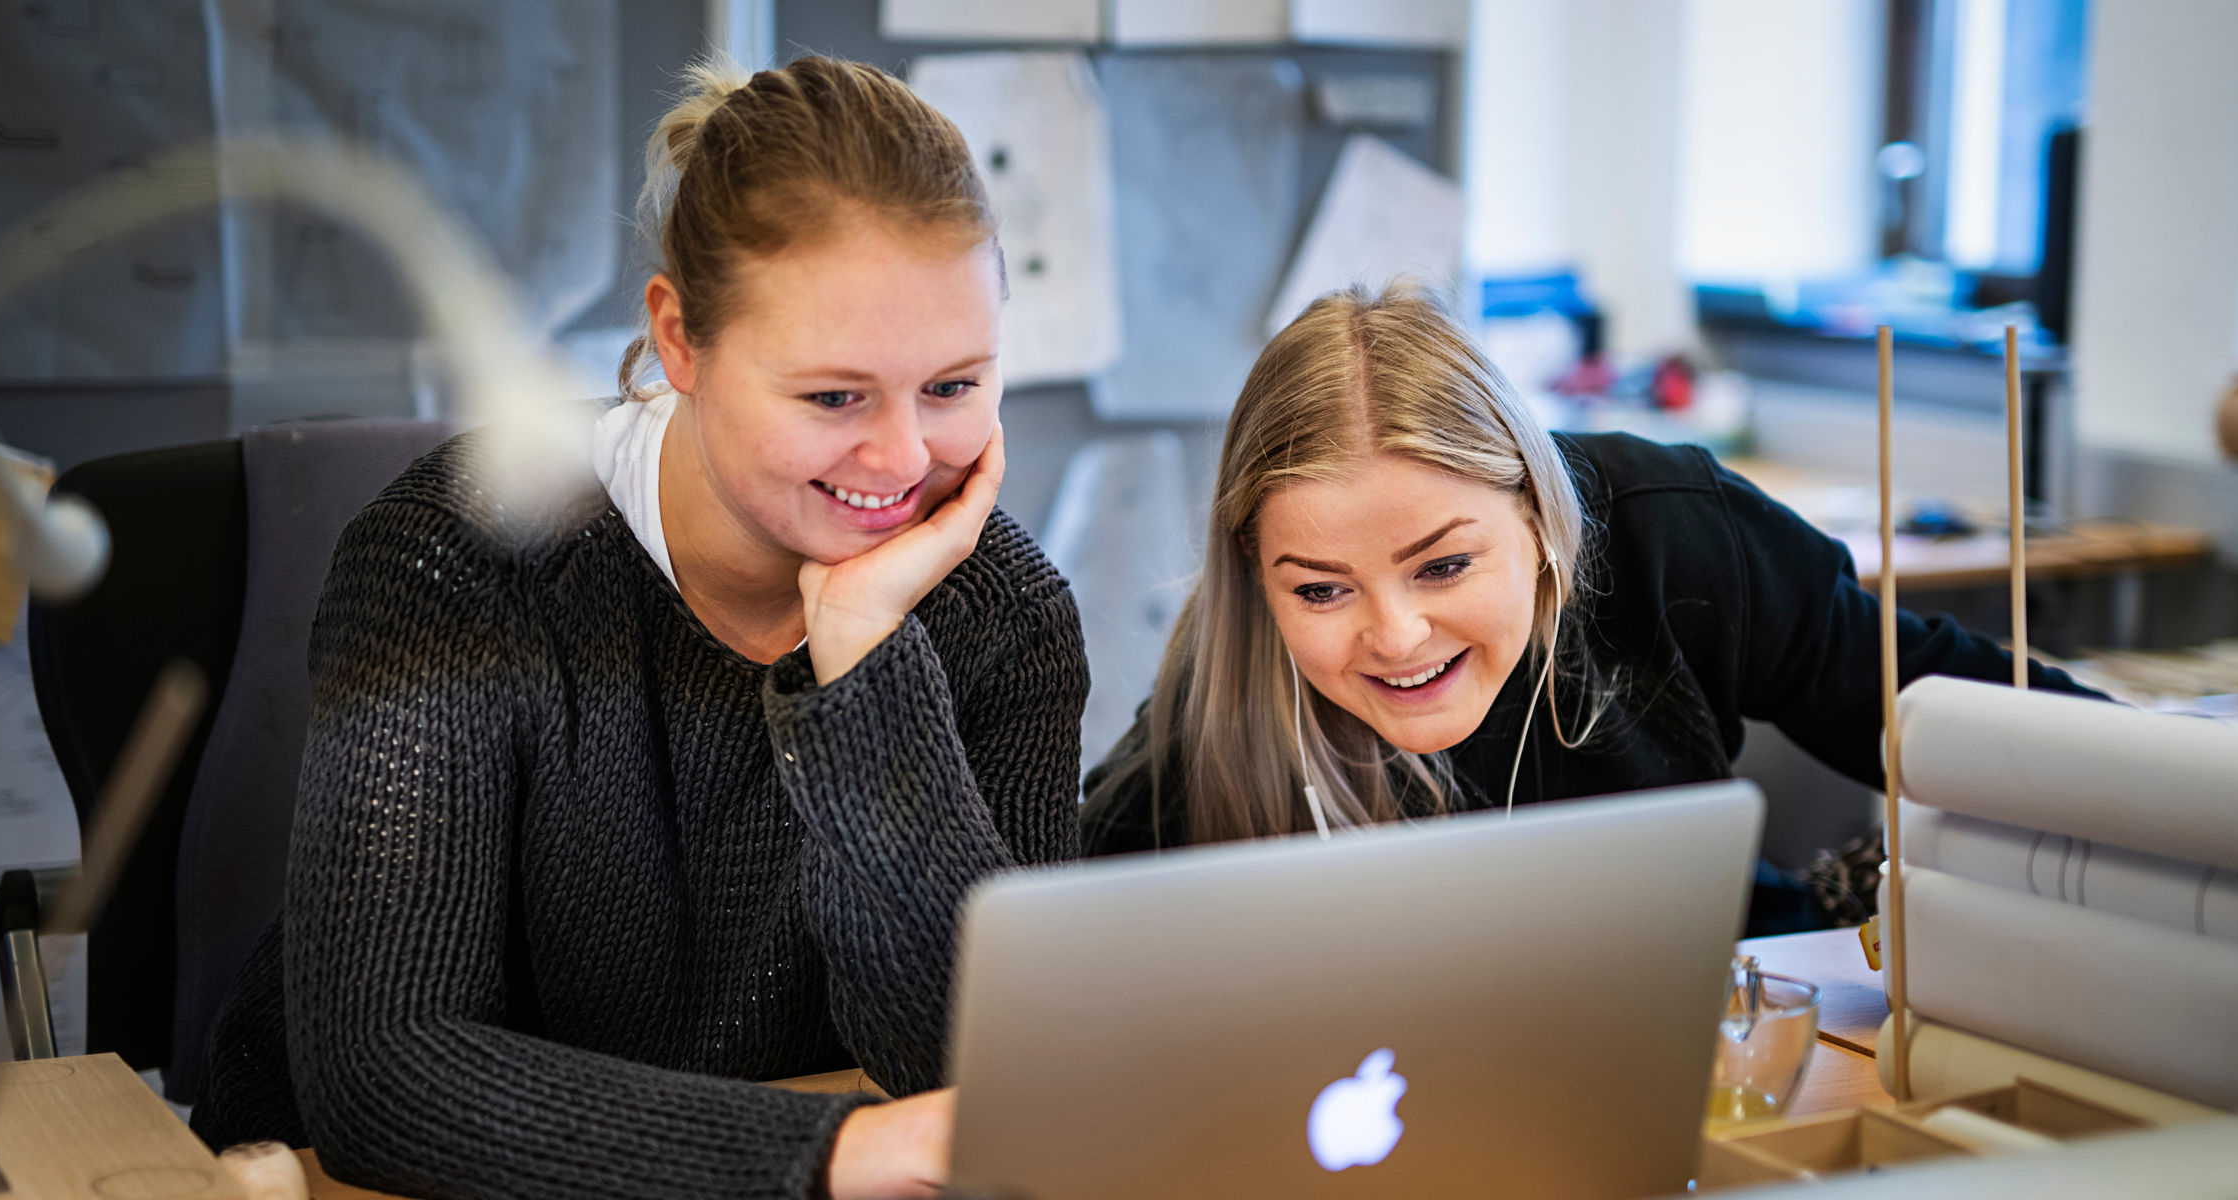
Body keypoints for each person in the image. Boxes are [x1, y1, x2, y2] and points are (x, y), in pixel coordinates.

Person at [191, 56, 1088, 1200]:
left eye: (955, 386)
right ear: (680, 339)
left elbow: (981, 1077)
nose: (905, 460)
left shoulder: (999, 611)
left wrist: (864, 660)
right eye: (834, 397)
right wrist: (828, 1154)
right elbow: (385, 1076)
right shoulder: (460, 561)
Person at [1081, 282, 2093, 866]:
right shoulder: (1231, 680)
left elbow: (1962, 715)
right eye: (1319, 589)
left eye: (1443, 565)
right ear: (1256, 576)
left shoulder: (1674, 534)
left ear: (1536, 513)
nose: (1394, 636)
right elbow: (1059, 923)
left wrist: (2208, 800)